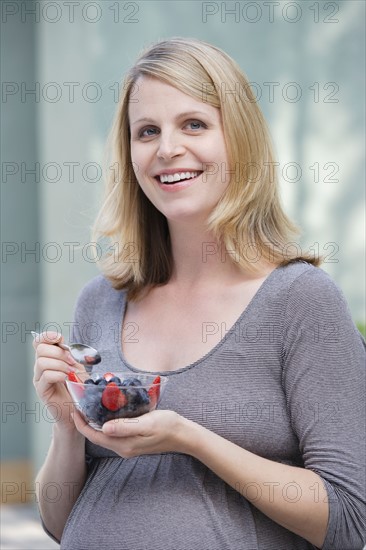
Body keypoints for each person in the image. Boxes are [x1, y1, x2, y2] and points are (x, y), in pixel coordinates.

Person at [32, 37, 365, 550]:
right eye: (147, 132)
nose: (167, 149)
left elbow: (349, 520)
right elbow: (59, 523)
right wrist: (66, 426)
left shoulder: (301, 302)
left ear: (239, 139)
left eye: (194, 124)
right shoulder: (99, 302)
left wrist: (188, 439)